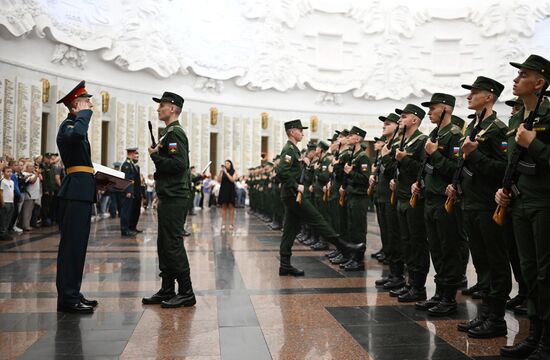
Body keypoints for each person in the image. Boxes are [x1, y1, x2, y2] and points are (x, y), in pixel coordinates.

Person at [447, 76, 511, 338]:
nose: (469, 96)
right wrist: (455, 184)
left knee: (496, 262)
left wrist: (475, 154)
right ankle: (485, 314)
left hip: (487, 204)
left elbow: (502, 170)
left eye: (475, 92)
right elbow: (464, 163)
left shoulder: (498, 128)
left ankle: (497, 319)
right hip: (470, 202)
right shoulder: (472, 126)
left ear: (489, 96)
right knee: (482, 263)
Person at [497, 54, 550, 359]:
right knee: (528, 273)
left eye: (523, 75)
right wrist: (503, 191)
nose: (516, 80)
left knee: (546, 273)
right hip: (518, 202)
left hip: (544, 202)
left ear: (539, 82)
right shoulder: (516, 118)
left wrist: (535, 144)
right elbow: (511, 163)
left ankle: (548, 341)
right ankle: (535, 335)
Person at [277, 119, 365, 276]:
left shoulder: (294, 150)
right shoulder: (289, 149)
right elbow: (282, 172)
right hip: (293, 194)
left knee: (290, 229)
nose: (302, 133)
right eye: (299, 130)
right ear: (291, 132)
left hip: (291, 195)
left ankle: (285, 264)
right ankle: (343, 246)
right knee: (317, 218)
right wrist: (296, 186)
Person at [143, 91, 196, 308]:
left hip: (176, 195)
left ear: (172, 108)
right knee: (164, 243)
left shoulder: (174, 133)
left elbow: (178, 165)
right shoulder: (169, 133)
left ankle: (186, 291)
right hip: (169, 194)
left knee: (172, 243)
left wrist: (156, 156)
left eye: (162, 105)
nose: (158, 109)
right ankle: (167, 288)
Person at [55, 80, 98, 314]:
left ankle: (73, 292)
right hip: (74, 193)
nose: (91, 105)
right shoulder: (68, 126)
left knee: (77, 247)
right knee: (71, 247)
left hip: (81, 192)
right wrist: (84, 114)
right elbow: (77, 134)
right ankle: (68, 299)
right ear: (75, 107)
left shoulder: (74, 125)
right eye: (86, 102)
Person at [120, 148, 140, 236]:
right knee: (126, 211)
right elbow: (127, 178)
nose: (136, 156)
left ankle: (130, 228)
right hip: (128, 191)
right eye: (135, 154)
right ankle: (125, 229)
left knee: (130, 211)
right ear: (131, 153)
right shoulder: (126, 165)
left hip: (133, 191)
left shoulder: (131, 164)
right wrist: (128, 191)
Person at [217, 160, 238, 230]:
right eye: (225, 163)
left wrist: (226, 173)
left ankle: (231, 223)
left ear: (231, 164)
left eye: (228, 163)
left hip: (231, 190)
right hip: (223, 190)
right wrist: (221, 172)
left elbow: (232, 180)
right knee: (223, 207)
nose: (226, 164)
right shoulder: (222, 172)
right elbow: (218, 180)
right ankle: (223, 223)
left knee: (231, 207)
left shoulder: (234, 172)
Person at [0, 166, 15, 241]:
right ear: (3, 172)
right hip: (5, 202)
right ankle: (2, 233)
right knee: (3, 218)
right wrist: (2, 202)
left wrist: (13, 200)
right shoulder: (2, 181)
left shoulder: (12, 181)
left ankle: (5, 232)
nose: (9, 173)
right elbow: (1, 193)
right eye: (7, 172)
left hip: (11, 202)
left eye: (10, 172)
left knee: (9, 218)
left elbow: (12, 192)